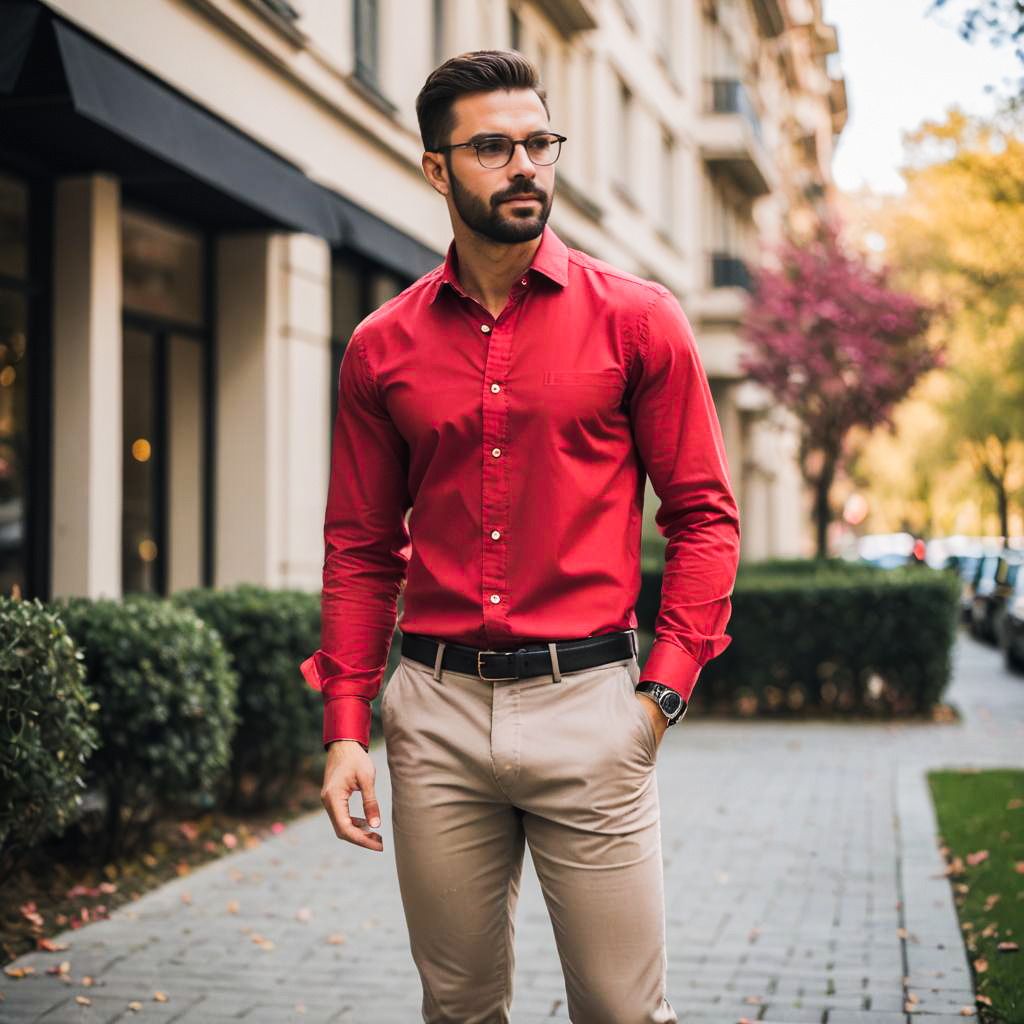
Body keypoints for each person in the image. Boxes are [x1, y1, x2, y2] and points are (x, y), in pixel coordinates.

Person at [300, 49, 741, 1024]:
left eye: (539, 143)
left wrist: (658, 694)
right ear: (436, 168)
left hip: (591, 706)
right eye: (492, 148)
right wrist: (346, 728)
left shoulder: (640, 321)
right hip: (437, 715)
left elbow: (705, 518)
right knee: (458, 1009)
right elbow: (361, 548)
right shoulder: (382, 345)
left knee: (623, 1012)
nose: (525, 166)